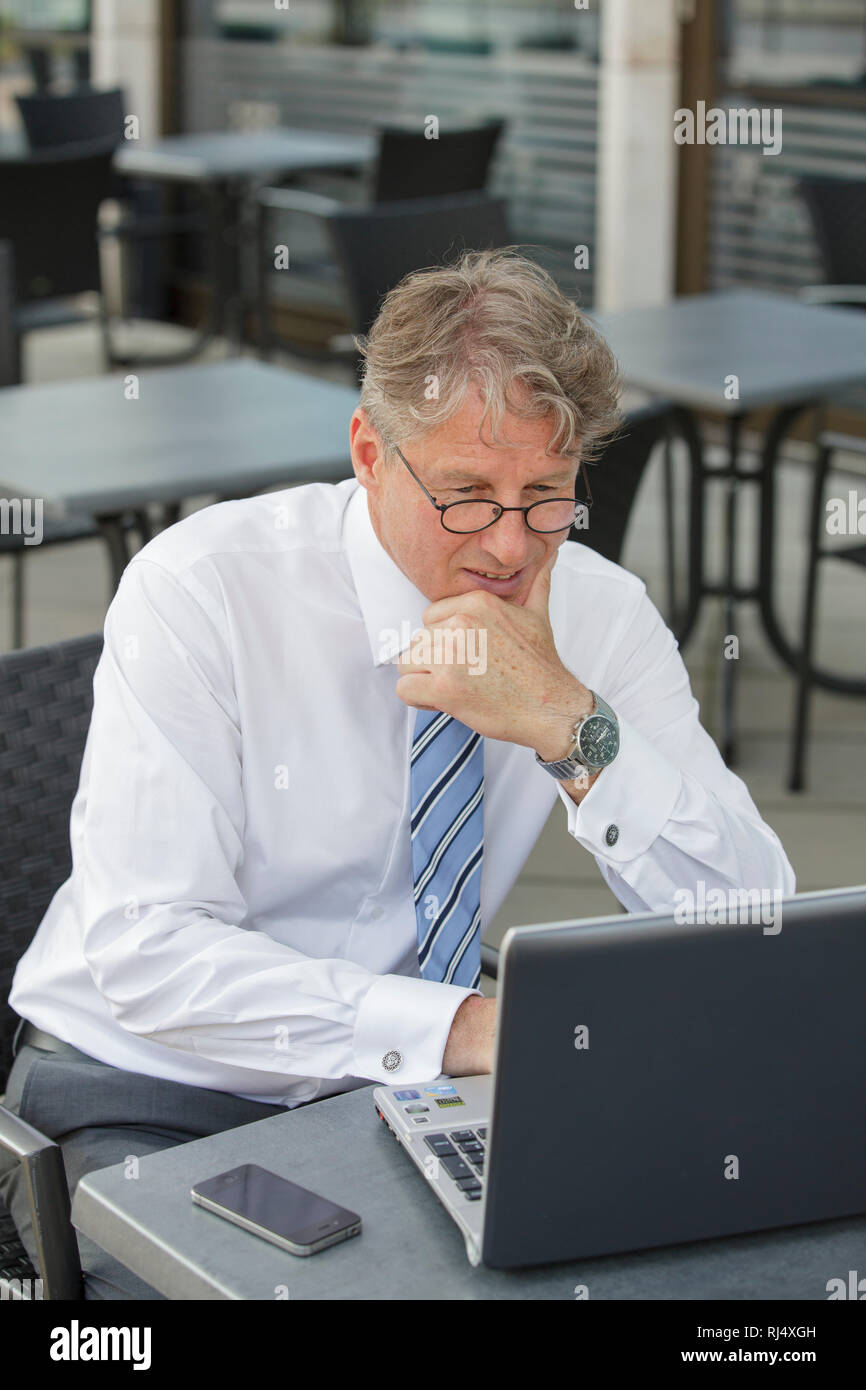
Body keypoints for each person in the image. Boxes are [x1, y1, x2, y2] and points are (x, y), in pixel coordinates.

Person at [0, 248, 795, 1299]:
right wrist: (464, 1029)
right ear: (370, 453)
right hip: (152, 1082)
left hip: (414, 1088)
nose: (509, 546)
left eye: (547, 494)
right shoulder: (201, 590)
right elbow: (148, 956)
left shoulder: (599, 611)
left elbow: (752, 919)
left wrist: (572, 727)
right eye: (466, 494)